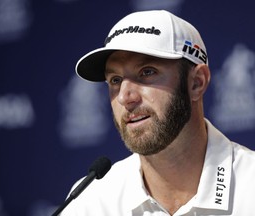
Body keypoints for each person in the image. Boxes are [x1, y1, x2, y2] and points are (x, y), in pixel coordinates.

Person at [60, 10, 255, 216]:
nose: (125, 97)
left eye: (147, 72)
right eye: (115, 80)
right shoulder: (89, 203)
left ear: (196, 83)